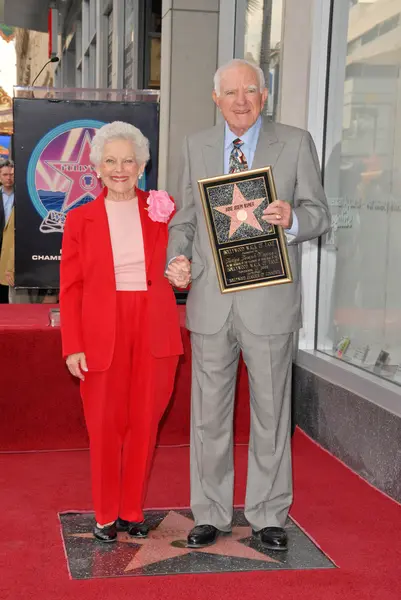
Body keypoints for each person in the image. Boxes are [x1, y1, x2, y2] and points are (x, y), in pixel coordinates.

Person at [166, 59, 331, 551]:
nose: (241, 101)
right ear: (215, 99)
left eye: (251, 91)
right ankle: (210, 512)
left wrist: (293, 218)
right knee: (208, 416)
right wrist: (177, 258)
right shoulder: (195, 146)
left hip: (270, 305)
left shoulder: (296, 141)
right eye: (231, 92)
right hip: (212, 304)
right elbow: (184, 220)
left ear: (265, 96)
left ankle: (267, 514)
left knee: (271, 413)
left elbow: (320, 214)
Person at [60, 121, 183, 543]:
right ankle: (105, 513)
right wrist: (72, 345)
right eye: (110, 160)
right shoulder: (80, 219)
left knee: (144, 424)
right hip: (100, 332)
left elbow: (185, 263)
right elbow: (71, 287)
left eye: (127, 160)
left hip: (155, 325)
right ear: (96, 167)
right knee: (104, 426)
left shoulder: (162, 209)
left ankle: (132, 510)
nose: (119, 168)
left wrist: (185, 271)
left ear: (142, 164)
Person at [0, 159, 15, 303]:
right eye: (5, 174)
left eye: (11, 174)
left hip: (12, 246)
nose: (8, 178)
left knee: (7, 282)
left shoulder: (22, 196)